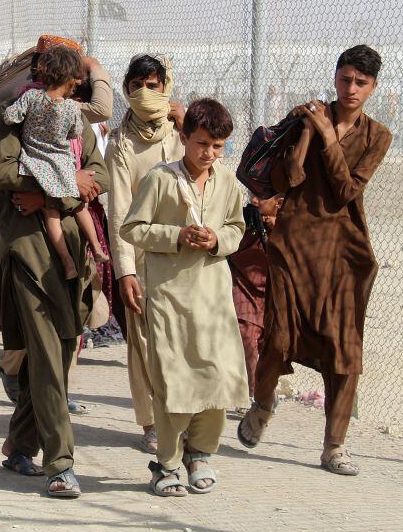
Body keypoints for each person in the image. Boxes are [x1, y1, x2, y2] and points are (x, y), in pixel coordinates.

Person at [238, 45, 393, 476]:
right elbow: (288, 178)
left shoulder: (377, 135)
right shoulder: (308, 118)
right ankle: (263, 404)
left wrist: (328, 136)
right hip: (292, 244)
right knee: (281, 339)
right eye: (345, 79)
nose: (351, 89)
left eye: (361, 82)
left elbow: (346, 190)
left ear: (373, 87)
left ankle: (334, 446)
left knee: (345, 351)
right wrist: (306, 130)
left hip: (344, 253)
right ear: (335, 78)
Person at [0, 47, 112, 499]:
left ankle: (19, 443)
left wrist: (58, 195)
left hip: (72, 254)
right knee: (44, 352)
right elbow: (5, 173)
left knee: (58, 353)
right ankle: (60, 464)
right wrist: (57, 187)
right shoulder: (15, 114)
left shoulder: (74, 115)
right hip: (29, 252)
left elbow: (99, 171)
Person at [120, 98, 248, 497]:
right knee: (174, 383)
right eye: (201, 143)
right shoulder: (161, 179)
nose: (208, 153)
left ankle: (202, 454)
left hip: (213, 299)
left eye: (217, 146)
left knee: (217, 379)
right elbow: (132, 228)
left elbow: (236, 228)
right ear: (184, 137)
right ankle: (168, 464)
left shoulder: (227, 181)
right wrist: (175, 236)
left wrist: (216, 239)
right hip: (170, 299)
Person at [105, 54, 186, 454]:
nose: (146, 94)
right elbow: (119, 211)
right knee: (143, 343)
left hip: (184, 256)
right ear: (126, 91)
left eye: (153, 86)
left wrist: (185, 124)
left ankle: (183, 416)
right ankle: (152, 422)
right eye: (138, 87)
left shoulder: (182, 134)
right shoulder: (121, 143)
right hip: (141, 258)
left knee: (182, 341)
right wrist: (125, 272)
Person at [4, 46, 108, 280]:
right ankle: (97, 247)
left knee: (51, 214)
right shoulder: (72, 108)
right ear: (73, 80)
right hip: (63, 164)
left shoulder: (30, 98)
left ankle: (67, 261)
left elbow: (11, 116)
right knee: (80, 207)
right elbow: (75, 132)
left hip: (37, 164)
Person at [227, 194, 281, 398]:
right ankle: (252, 393)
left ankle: (264, 390)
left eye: (262, 197)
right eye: (253, 195)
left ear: (278, 202)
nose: (255, 200)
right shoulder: (246, 218)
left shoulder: (288, 223)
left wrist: (275, 228)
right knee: (247, 337)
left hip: (271, 292)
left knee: (269, 344)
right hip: (243, 286)